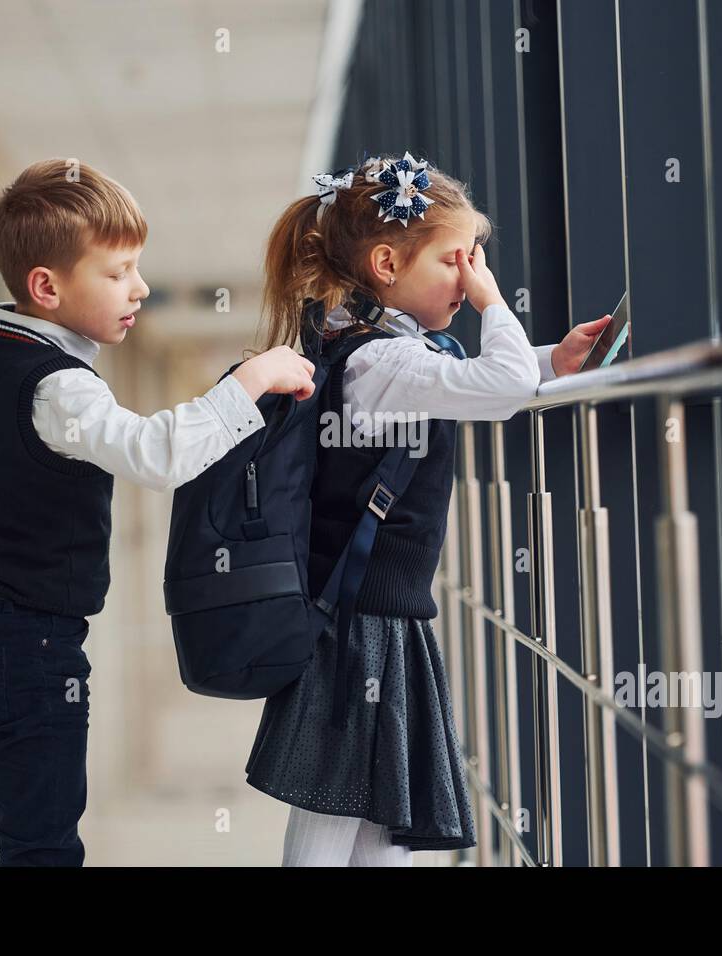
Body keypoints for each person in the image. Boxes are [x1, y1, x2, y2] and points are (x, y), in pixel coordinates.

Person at [0, 158, 314, 865]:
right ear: (47, 287)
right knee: (44, 849)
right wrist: (254, 377)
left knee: (29, 837)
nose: (140, 288)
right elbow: (158, 454)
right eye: (119, 271)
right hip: (25, 646)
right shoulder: (61, 387)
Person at [243, 152, 611, 865]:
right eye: (456, 261)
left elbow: (470, 382)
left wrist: (550, 363)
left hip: (376, 618)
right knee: (334, 821)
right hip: (359, 624)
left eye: (474, 263)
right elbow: (490, 388)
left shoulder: (378, 352)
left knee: (379, 821)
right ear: (386, 263)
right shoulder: (376, 360)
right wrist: (493, 302)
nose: (468, 276)